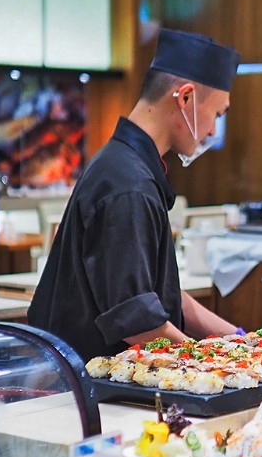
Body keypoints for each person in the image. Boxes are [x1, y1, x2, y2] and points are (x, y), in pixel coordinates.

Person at [28, 29, 242, 361]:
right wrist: (208, 362)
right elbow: (137, 320)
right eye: (217, 114)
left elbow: (159, 294)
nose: (213, 130)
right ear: (184, 98)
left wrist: (239, 340)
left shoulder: (130, 166)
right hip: (91, 385)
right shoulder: (127, 184)